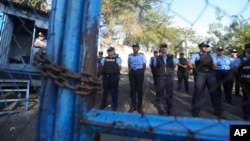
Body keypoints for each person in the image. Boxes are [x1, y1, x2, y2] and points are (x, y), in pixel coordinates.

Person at [187, 42, 224, 118]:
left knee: (214, 93)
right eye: (204, 46)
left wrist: (208, 69)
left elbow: (215, 65)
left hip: (210, 75)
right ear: (200, 47)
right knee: (198, 93)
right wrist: (195, 70)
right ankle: (195, 111)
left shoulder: (211, 55)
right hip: (200, 75)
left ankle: (218, 112)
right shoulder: (196, 55)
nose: (206, 48)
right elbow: (189, 64)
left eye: (207, 46)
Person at [153, 43, 178, 115]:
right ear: (160, 49)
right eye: (162, 47)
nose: (164, 49)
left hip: (169, 77)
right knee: (160, 92)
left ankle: (169, 108)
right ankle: (161, 108)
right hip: (160, 77)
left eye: (165, 47)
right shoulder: (156, 58)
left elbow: (175, 64)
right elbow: (155, 66)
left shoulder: (172, 57)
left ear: (167, 49)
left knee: (169, 93)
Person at [99, 47, 122, 111]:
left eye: (111, 51)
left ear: (113, 51)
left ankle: (114, 106)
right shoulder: (104, 59)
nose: (109, 52)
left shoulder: (117, 59)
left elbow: (120, 67)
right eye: (108, 51)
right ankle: (103, 104)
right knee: (105, 91)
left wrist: (115, 73)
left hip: (114, 77)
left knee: (114, 92)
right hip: (106, 77)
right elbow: (102, 67)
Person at [127, 43, 147, 113]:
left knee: (139, 90)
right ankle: (133, 106)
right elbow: (129, 64)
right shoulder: (130, 56)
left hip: (139, 72)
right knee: (132, 90)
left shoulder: (142, 56)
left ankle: (139, 107)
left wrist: (141, 72)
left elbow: (144, 65)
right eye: (133, 47)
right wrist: (131, 71)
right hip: (132, 73)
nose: (134, 49)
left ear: (138, 49)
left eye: (136, 47)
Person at [233, 43, 250, 120]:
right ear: (246, 49)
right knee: (246, 98)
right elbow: (235, 69)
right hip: (245, 81)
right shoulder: (240, 58)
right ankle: (246, 115)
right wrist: (240, 76)